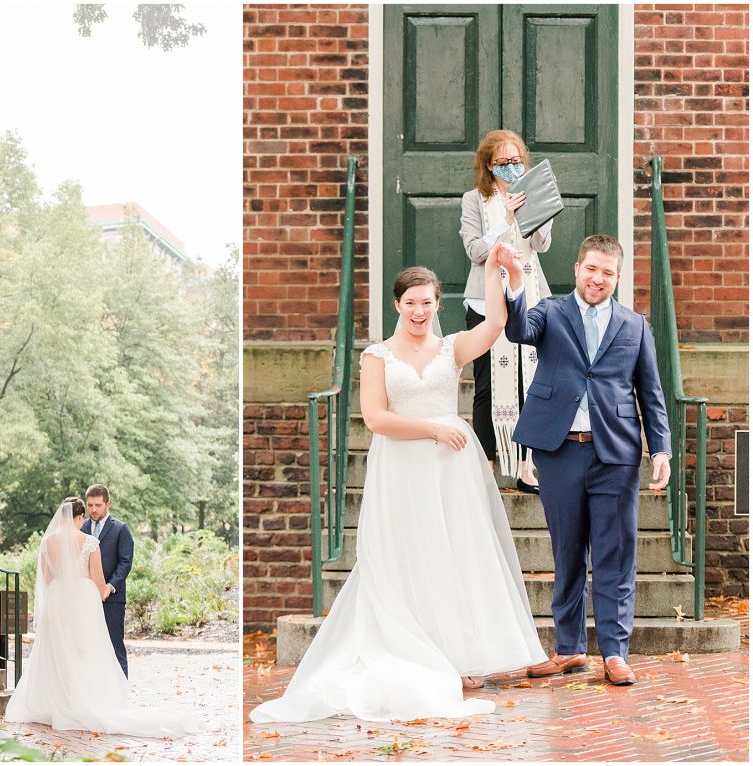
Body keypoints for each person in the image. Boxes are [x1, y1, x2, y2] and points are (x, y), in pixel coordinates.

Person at [249, 242, 547, 724]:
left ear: (437, 304)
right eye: (411, 303)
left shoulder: (451, 347)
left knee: (452, 551)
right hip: (403, 463)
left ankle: (457, 654)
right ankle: (419, 648)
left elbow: (494, 326)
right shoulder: (377, 356)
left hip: (450, 467)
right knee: (407, 553)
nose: (420, 311)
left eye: (428, 302)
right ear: (397, 305)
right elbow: (375, 417)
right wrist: (433, 427)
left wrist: (496, 270)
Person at [499, 234, 671, 686]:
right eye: (591, 269)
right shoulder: (551, 313)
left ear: (617, 277)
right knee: (567, 551)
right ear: (577, 269)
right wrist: (515, 278)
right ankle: (569, 649)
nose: (598, 279)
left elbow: (650, 393)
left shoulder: (634, 325)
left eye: (607, 273)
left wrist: (662, 448)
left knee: (615, 554)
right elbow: (517, 331)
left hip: (614, 453)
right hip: (558, 451)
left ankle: (615, 653)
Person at [5, 497, 191, 735]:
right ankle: (82, 701)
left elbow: (48, 577)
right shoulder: (89, 542)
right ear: (79, 517)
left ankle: (56, 702)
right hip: (82, 599)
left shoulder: (47, 542)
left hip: (57, 598)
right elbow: (98, 580)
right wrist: (99, 592)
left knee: (58, 651)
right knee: (84, 650)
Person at [460, 129, 554, 493]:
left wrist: (540, 211)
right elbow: (475, 251)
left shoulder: (529, 194)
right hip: (486, 302)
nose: (512, 167)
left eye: (517, 161)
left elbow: (541, 246)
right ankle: (485, 466)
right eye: (504, 162)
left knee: (530, 384)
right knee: (486, 386)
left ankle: (526, 467)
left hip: (528, 297)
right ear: (489, 166)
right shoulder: (474, 200)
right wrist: (506, 219)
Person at [80, 484, 133, 677]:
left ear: (107, 504)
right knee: (87, 646)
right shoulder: (82, 527)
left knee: (114, 646)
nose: (93, 509)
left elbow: (125, 562)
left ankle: (121, 691)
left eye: (98, 505)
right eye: (90, 505)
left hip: (113, 599)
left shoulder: (121, 529)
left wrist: (109, 586)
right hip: (85, 598)